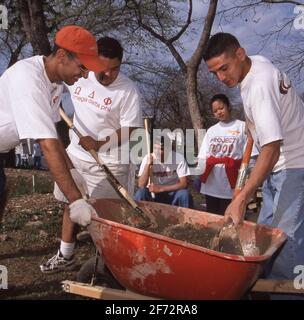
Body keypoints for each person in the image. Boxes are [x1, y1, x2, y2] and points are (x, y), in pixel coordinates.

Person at [203, 32, 304, 288]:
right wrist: (252, 129)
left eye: (224, 68)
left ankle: (285, 292)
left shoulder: (259, 84)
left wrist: (242, 197)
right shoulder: (255, 65)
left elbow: (271, 148)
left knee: (285, 243)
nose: (222, 78)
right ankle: (265, 288)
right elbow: (257, 129)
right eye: (215, 73)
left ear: (240, 53)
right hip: (278, 167)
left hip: (294, 166)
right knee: (264, 236)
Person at [40, 37, 143, 273]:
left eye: (114, 69)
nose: (107, 75)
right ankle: (66, 255)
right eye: (102, 69)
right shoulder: (80, 76)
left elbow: (132, 129)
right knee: (71, 201)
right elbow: (54, 80)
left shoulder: (128, 90)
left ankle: (108, 267)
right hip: (76, 155)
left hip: (111, 162)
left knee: (106, 217)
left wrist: (100, 142)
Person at [0, 25, 108, 229]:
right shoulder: (28, 79)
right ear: (61, 55)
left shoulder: (56, 85)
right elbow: (47, 144)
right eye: (82, 67)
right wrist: (75, 200)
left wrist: (71, 169)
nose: (85, 75)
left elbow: (52, 133)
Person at [197, 94, 254, 215]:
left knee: (231, 217)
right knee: (212, 216)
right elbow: (203, 155)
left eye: (221, 108)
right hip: (212, 181)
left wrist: (246, 179)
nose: (219, 112)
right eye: (215, 111)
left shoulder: (242, 126)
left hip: (233, 180)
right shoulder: (211, 130)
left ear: (228, 106)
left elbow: (249, 156)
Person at [134, 136, 192, 208]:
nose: (157, 152)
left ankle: (186, 218)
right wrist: (147, 165)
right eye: (155, 148)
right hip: (153, 193)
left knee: (184, 194)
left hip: (172, 192)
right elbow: (141, 185)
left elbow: (184, 184)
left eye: (161, 149)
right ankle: (140, 217)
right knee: (140, 193)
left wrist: (161, 188)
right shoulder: (148, 158)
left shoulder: (178, 158)